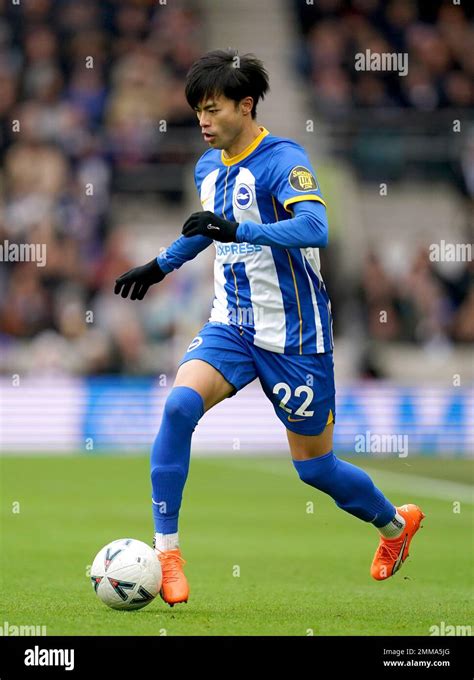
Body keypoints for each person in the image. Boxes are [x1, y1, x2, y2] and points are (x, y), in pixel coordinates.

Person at [114, 49, 425, 607]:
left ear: (246, 105)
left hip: (297, 337)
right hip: (231, 324)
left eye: (212, 109)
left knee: (315, 470)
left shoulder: (285, 160)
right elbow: (207, 228)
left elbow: (315, 227)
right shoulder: (207, 166)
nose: (203, 122)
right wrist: (160, 265)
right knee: (179, 407)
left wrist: (240, 229)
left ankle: (396, 528)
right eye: (196, 112)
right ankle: (167, 551)